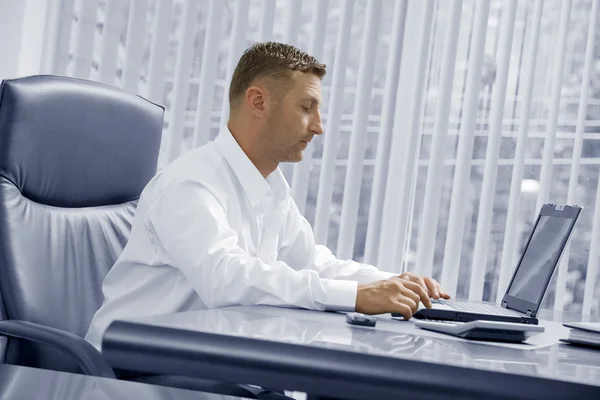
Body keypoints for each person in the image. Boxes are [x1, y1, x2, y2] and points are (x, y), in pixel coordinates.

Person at [85, 42, 450, 350]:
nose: (319, 127)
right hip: (129, 365)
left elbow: (312, 264)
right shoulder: (190, 184)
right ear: (258, 102)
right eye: (307, 108)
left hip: (199, 358)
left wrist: (394, 284)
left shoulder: (270, 189)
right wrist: (355, 296)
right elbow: (226, 278)